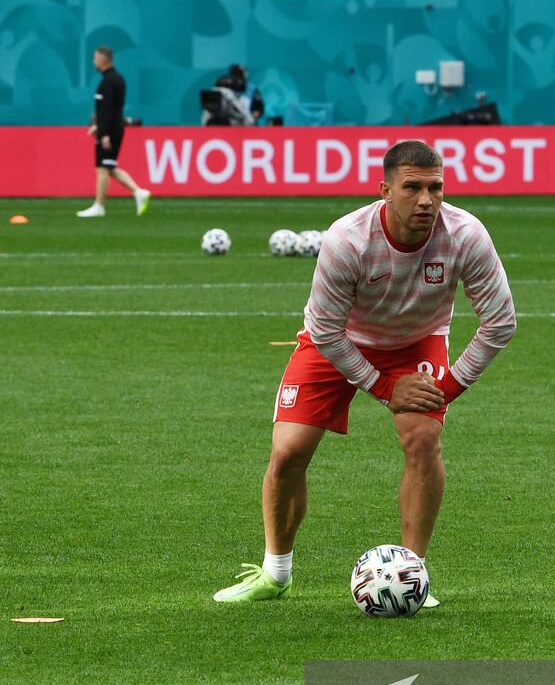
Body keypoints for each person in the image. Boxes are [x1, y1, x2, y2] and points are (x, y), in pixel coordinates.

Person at [213, 140, 517, 605]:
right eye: (411, 187)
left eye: (435, 188)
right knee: (288, 453)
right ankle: (275, 573)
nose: (426, 200)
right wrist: (381, 386)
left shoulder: (466, 234)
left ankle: (412, 574)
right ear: (384, 190)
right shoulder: (347, 238)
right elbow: (326, 330)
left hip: (417, 339)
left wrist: (447, 389)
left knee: (423, 439)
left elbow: (500, 322)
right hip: (338, 340)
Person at [77, 45, 151, 218]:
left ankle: (99, 206)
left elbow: (109, 111)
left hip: (110, 131)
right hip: (112, 128)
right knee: (109, 167)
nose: (93, 61)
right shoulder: (113, 79)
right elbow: (106, 110)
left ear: (104, 59)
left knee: (102, 168)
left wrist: (104, 134)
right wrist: (98, 127)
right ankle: (139, 192)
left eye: (95, 57)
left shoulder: (109, 81)